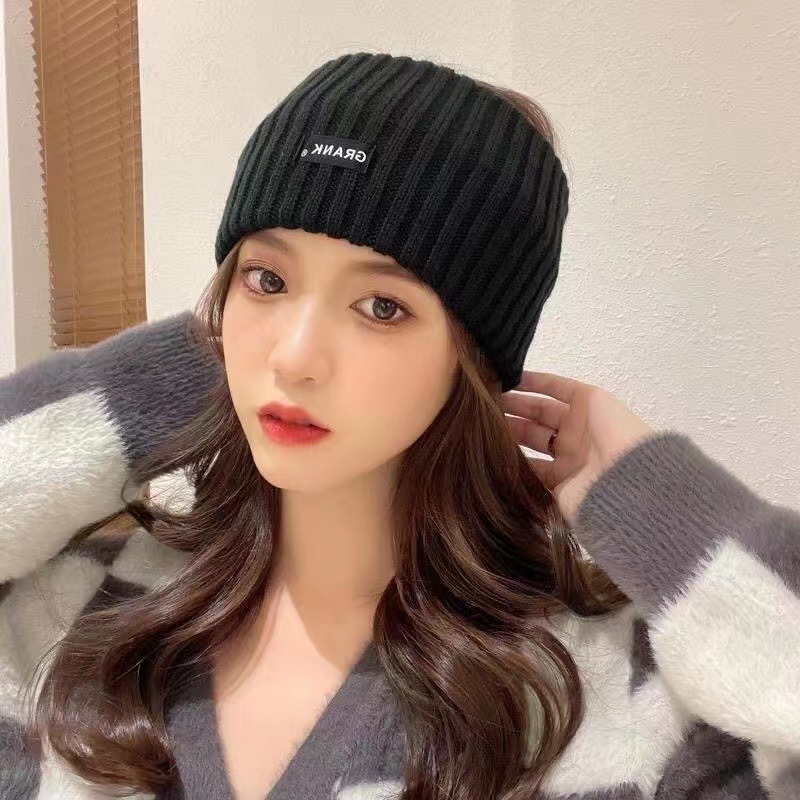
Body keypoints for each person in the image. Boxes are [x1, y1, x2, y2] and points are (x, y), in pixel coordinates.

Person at [1, 50, 798, 800]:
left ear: (471, 360)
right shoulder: (79, 609)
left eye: (381, 306)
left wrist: (658, 506)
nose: (294, 357)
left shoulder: (610, 690)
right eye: (267, 280)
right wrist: (132, 391)